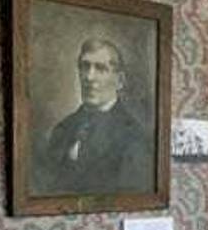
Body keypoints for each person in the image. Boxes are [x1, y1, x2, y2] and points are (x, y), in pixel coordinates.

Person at [34, 38, 154, 195]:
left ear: (120, 81)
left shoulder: (133, 136)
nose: (89, 77)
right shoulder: (62, 129)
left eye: (101, 69)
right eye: (85, 67)